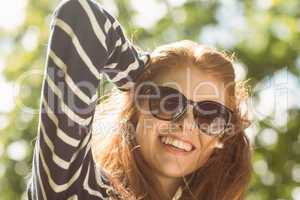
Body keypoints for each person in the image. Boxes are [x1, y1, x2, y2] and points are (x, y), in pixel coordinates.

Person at [27, 0, 252, 199]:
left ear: (222, 136)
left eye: (210, 115)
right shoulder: (73, 187)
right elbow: (81, 17)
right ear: (135, 109)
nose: (187, 124)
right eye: (168, 102)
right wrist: (138, 71)